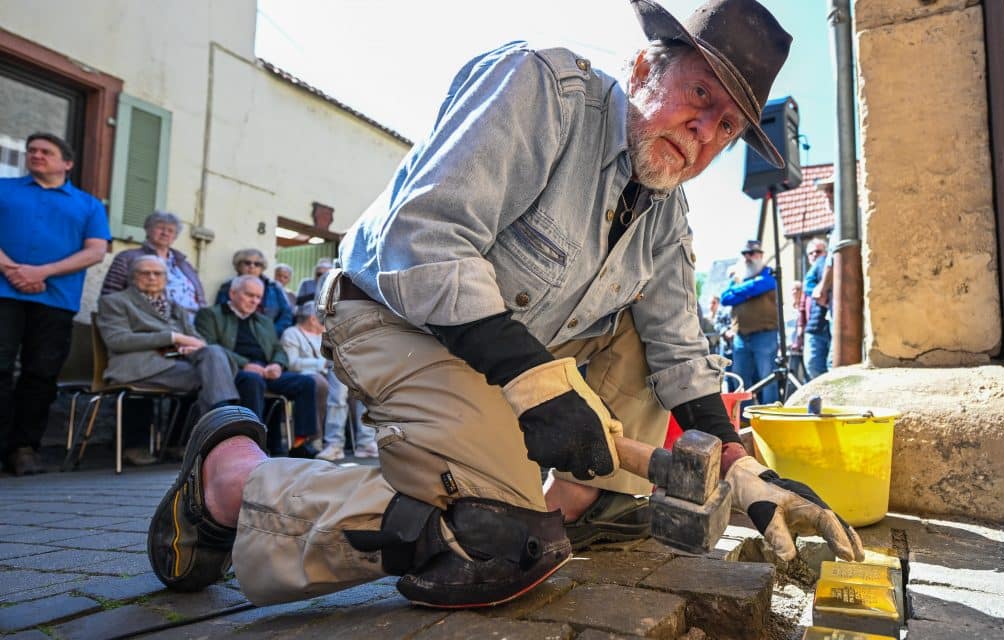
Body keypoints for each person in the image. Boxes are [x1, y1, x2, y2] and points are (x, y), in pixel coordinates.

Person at [147, 0, 861, 610]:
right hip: (397, 318)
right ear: (644, 68)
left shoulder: (668, 211)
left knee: (629, 369)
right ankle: (233, 480)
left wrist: (740, 469)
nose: (704, 133)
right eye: (700, 98)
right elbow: (424, 242)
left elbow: (678, 346)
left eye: (728, 127)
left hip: (513, 356)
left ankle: (567, 505)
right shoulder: (542, 87)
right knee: (499, 541)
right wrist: (537, 384)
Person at [0, 132, 110, 476]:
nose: (36, 155)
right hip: (4, 293)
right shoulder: (5, 189)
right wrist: (10, 268)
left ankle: (24, 449)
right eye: (31, 150)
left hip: (56, 299)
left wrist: (42, 270)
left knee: (41, 374)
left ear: (67, 163)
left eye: (46, 152)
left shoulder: (88, 204)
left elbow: (96, 250)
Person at [97, 255, 238, 465]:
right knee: (210, 375)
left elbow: (196, 338)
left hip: (175, 363)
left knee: (213, 354)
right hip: (138, 365)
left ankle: (214, 426)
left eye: (158, 273)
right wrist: (172, 337)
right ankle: (220, 430)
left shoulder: (174, 306)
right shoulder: (115, 301)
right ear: (132, 277)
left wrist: (191, 345)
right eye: (145, 273)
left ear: (166, 278)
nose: (152, 277)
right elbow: (117, 340)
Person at [196, 275, 319, 458]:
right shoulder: (211, 315)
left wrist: (277, 364)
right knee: (253, 381)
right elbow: (210, 346)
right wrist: (245, 364)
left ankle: (300, 443)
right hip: (232, 371)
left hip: (265, 370)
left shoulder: (264, 321)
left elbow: (278, 348)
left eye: (258, 297)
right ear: (232, 293)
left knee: (306, 383)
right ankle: (255, 445)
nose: (254, 301)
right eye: (249, 295)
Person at [280, 301, 377, 461]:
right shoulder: (292, 333)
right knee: (335, 394)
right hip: (310, 377)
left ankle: (364, 443)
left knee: (362, 391)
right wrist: (321, 363)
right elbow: (291, 363)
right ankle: (333, 443)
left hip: (332, 373)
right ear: (313, 319)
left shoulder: (325, 334)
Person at [101, 211, 205, 322]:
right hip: (153, 321)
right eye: (160, 228)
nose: (165, 233)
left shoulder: (184, 264)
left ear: (175, 236)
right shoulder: (127, 258)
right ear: (147, 230)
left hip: (193, 323)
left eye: (170, 230)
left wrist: (205, 319)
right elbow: (110, 294)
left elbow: (201, 299)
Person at [719, 239, 779, 404]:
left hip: (765, 335)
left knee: (768, 378)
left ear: (760, 255)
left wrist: (739, 292)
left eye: (751, 253)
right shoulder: (738, 277)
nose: (747, 257)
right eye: (744, 254)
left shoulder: (769, 273)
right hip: (741, 337)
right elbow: (724, 298)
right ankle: (743, 418)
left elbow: (766, 284)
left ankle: (770, 416)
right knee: (741, 379)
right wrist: (749, 290)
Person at [214, 249, 293, 336]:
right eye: (247, 263)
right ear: (238, 266)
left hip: (268, 336)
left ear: (262, 268)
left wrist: (271, 333)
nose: (252, 266)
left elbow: (286, 314)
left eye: (257, 264)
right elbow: (220, 313)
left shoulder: (274, 287)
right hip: (236, 336)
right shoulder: (228, 286)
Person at [803, 238, 832, 378]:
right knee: (814, 366)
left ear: (825, 252)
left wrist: (821, 291)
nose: (815, 255)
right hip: (816, 325)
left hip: (829, 324)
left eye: (818, 251)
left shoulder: (825, 262)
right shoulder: (811, 272)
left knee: (830, 365)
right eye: (811, 253)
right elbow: (808, 287)